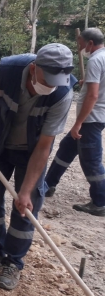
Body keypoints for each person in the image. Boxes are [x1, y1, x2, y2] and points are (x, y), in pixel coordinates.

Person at [0, 43, 77, 290]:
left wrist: (26, 190)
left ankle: (13, 263)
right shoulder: (8, 69)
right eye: (47, 79)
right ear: (34, 68)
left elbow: (45, 146)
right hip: (0, 145)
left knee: (26, 207)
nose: (52, 86)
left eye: (57, 80)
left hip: (32, 153)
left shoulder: (63, 93)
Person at [45, 28, 105, 217]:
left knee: (91, 161)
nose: (79, 48)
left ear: (89, 43)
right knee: (66, 148)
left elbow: (94, 95)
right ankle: (48, 185)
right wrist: (85, 82)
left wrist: (78, 122)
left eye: (80, 44)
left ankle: (100, 202)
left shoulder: (95, 60)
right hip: (98, 115)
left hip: (92, 118)